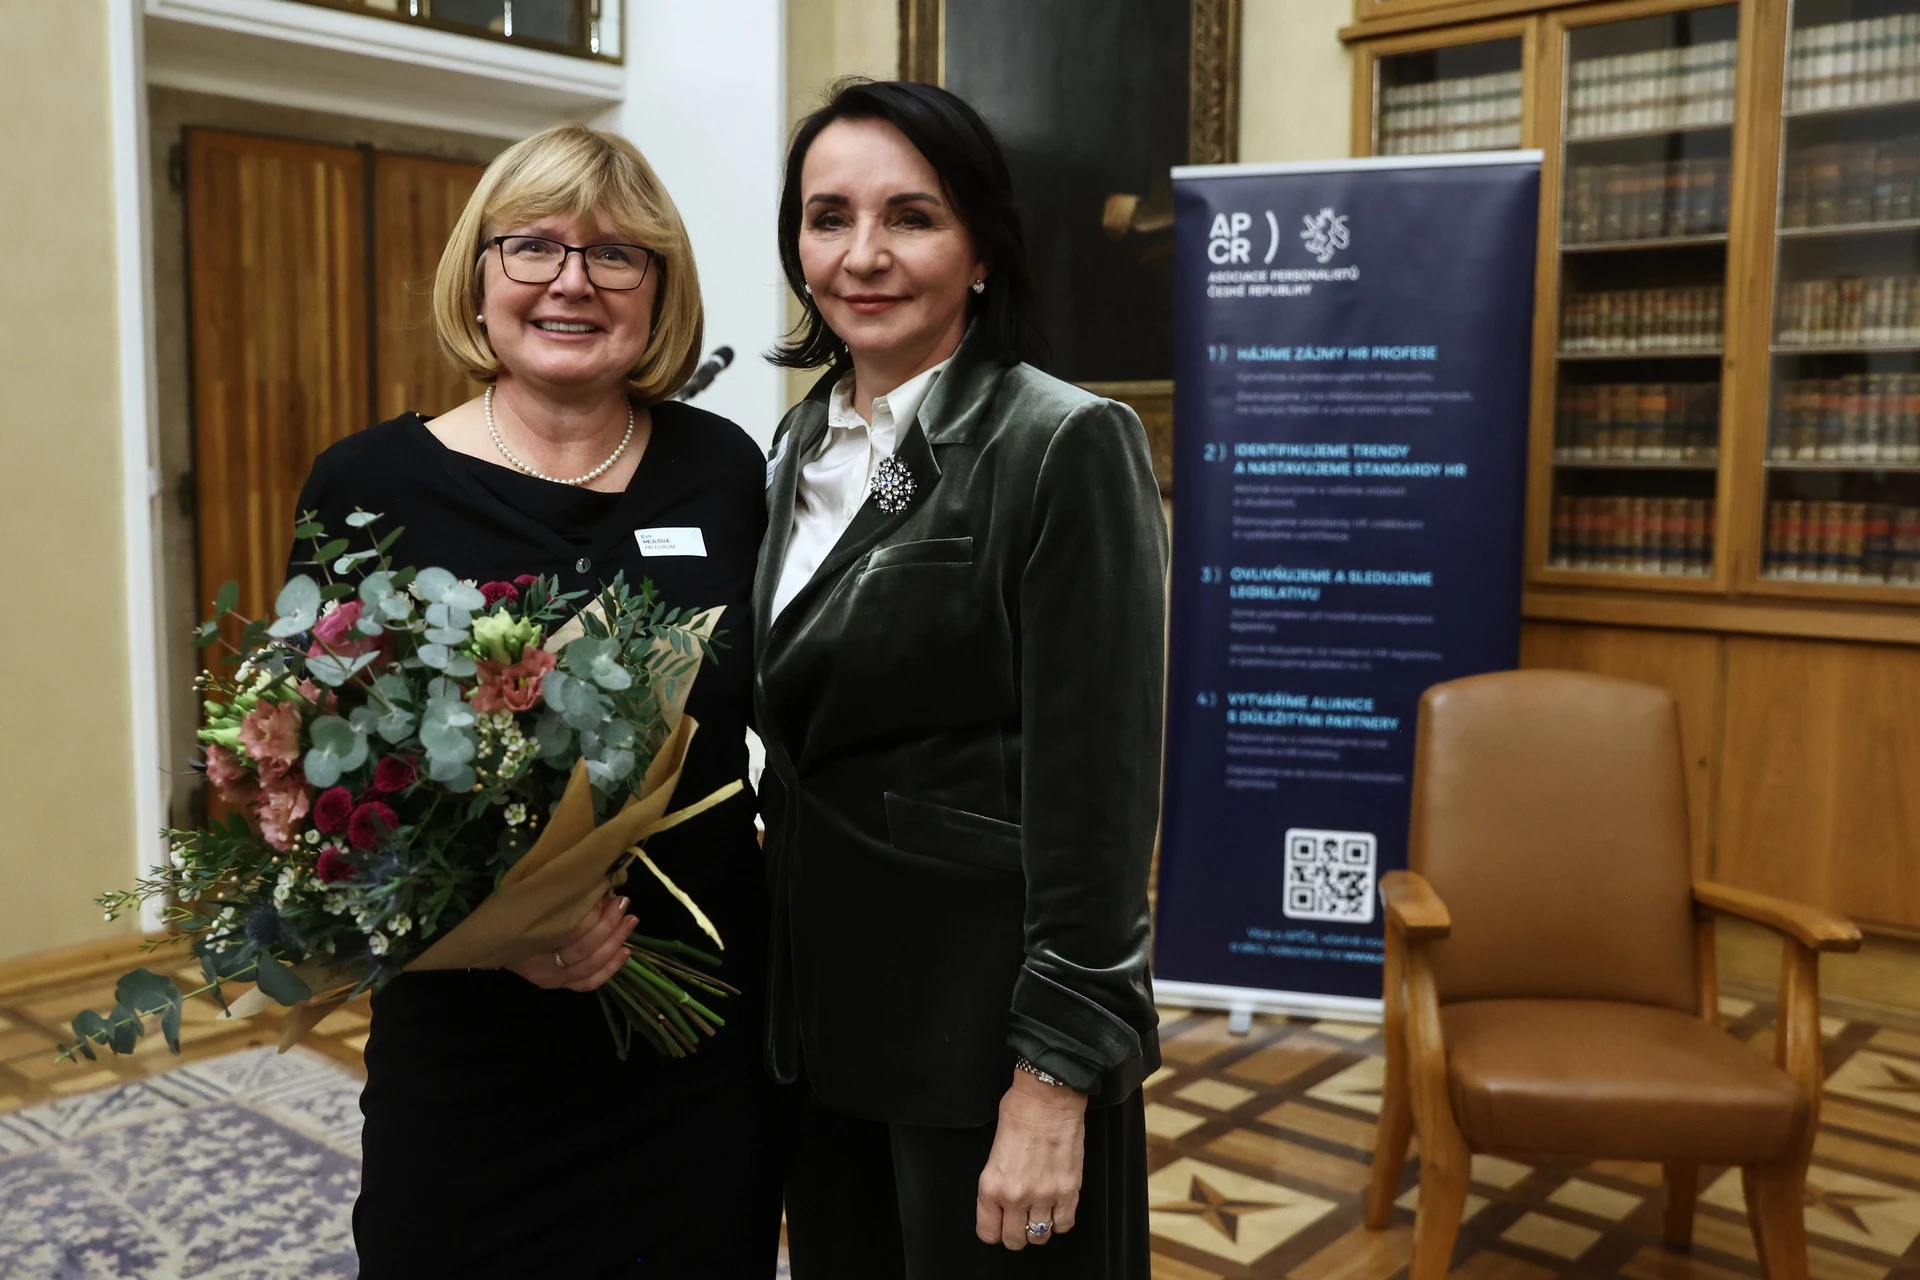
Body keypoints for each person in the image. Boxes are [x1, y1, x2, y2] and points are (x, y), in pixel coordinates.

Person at [289, 122, 781, 1278]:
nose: (572, 280)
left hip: (698, 1027)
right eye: (534, 247)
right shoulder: (369, 483)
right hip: (471, 1046)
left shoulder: (724, 469)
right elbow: (321, 789)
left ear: (658, 289)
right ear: (480, 273)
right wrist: (501, 931)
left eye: (616, 255)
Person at [756, 79, 1167, 1279]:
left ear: (981, 248)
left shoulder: (1060, 440)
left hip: (985, 1044)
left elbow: (1098, 800)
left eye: (912, 216)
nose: (863, 254)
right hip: (822, 1031)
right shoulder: (797, 443)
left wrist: (1055, 1075)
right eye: (829, 217)